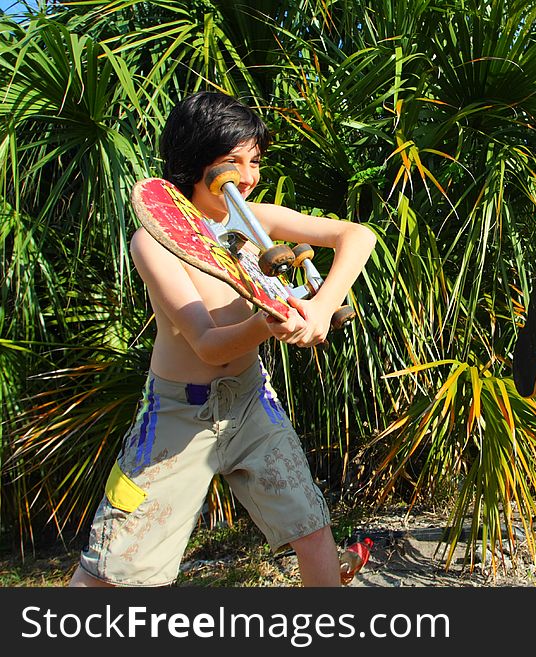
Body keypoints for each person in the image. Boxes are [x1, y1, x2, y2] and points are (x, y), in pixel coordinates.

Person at [69, 91, 376, 587]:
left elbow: (357, 236)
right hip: (178, 416)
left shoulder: (257, 223)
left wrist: (319, 308)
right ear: (194, 161)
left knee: (311, 529)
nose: (249, 176)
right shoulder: (154, 240)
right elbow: (208, 344)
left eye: (254, 161)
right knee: (119, 568)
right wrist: (266, 324)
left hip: (252, 402)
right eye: (232, 162)